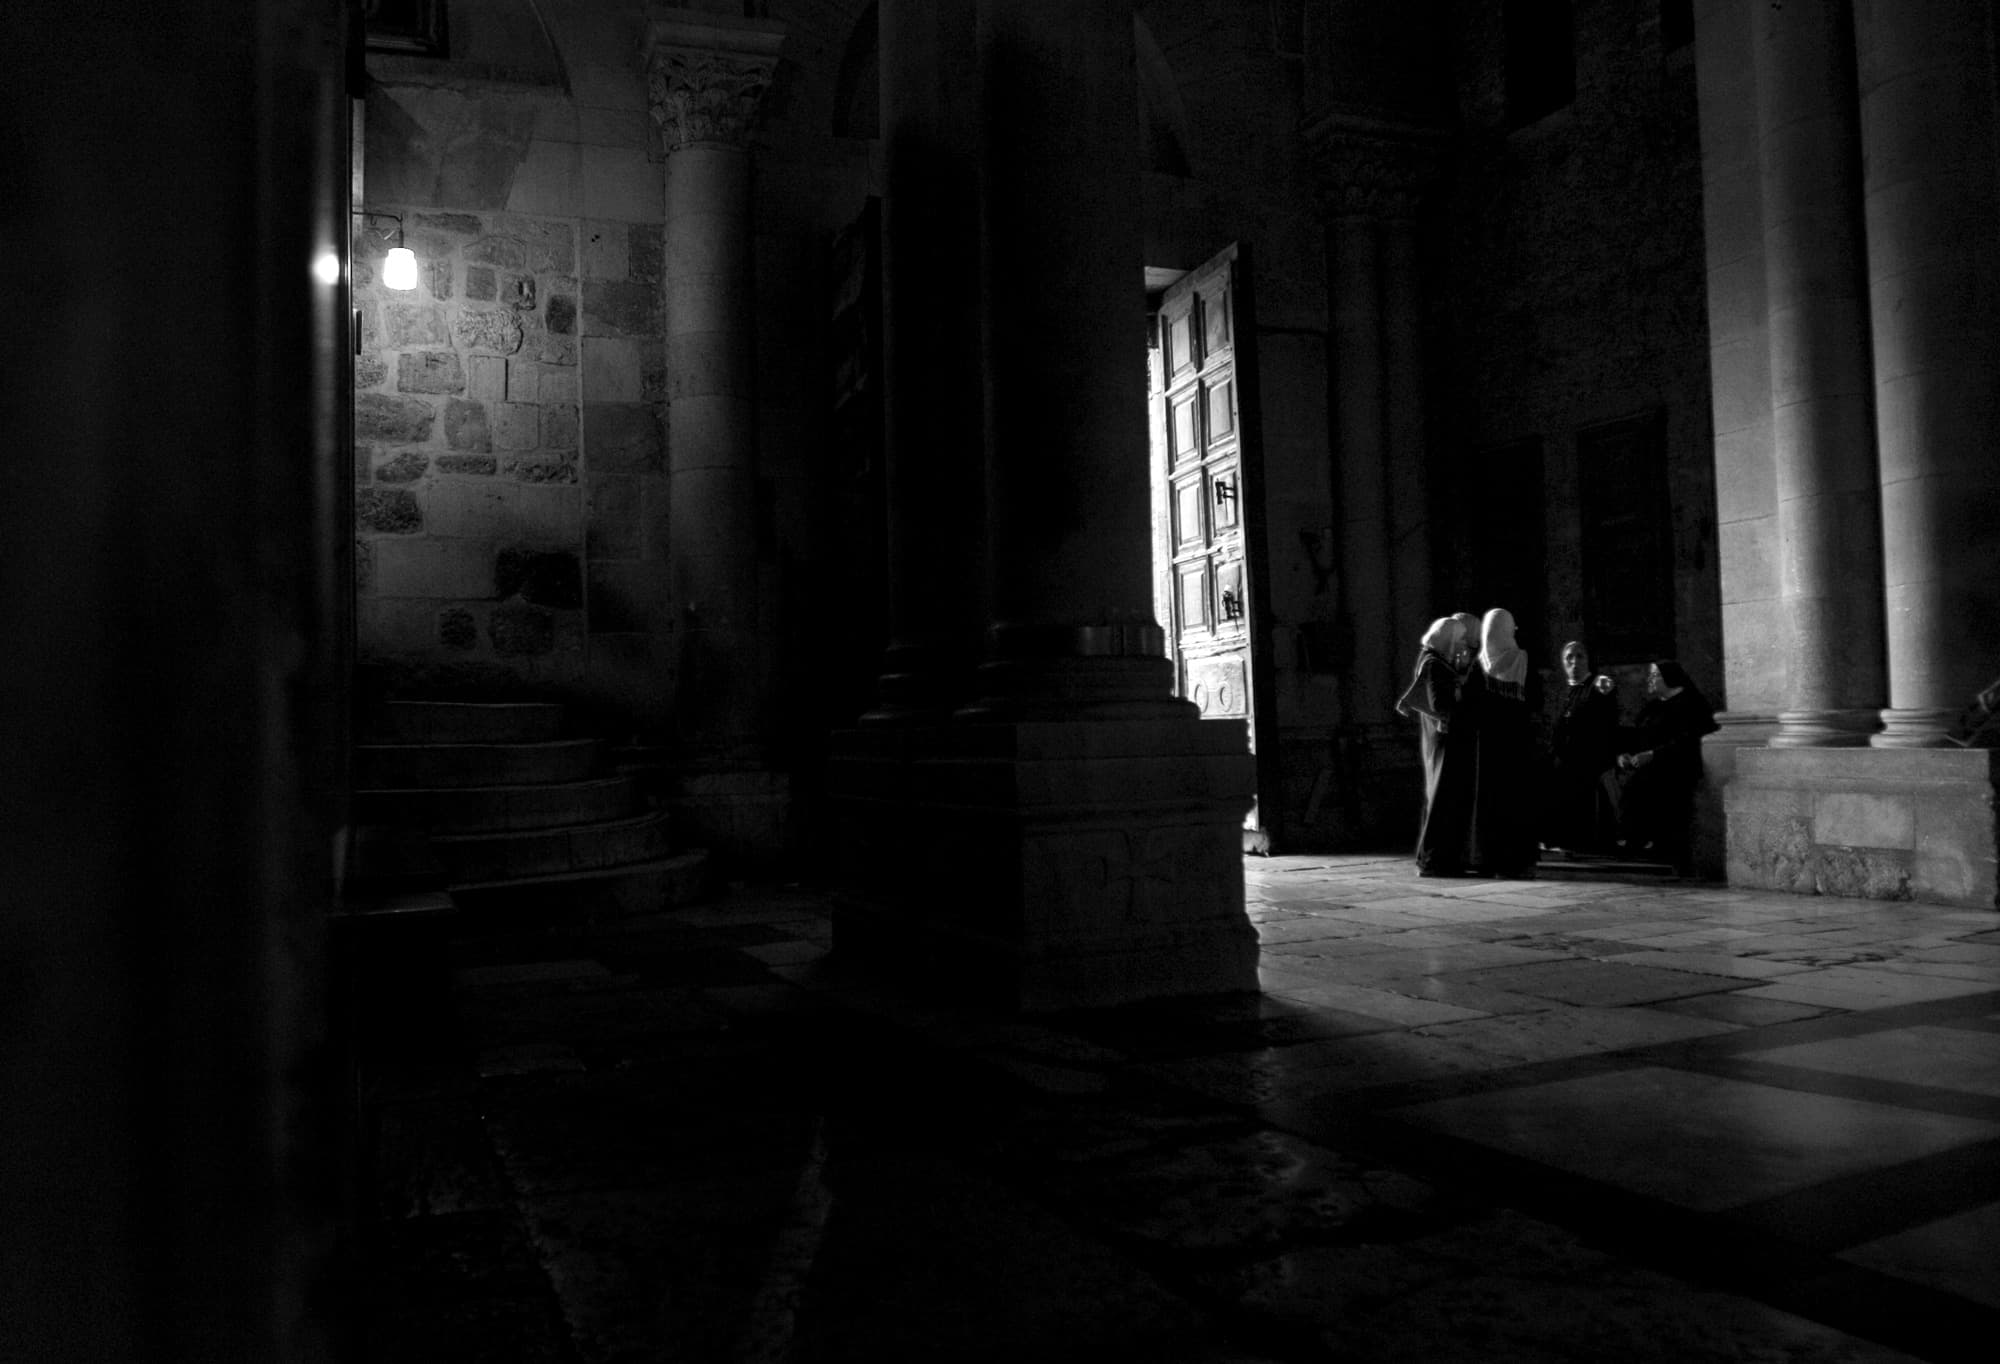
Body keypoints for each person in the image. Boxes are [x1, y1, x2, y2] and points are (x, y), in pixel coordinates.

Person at [1614, 658, 1719, 866]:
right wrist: (1625, 754)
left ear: (1669, 678)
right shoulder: (1653, 707)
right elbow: (1637, 736)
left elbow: (1687, 740)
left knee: (1647, 783)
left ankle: (1645, 842)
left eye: (1655, 676)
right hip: (1649, 764)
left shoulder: (1690, 703)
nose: (1650, 680)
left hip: (1677, 764)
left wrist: (1653, 755)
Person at [1397, 616, 1477, 876]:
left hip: (1441, 740)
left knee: (1442, 798)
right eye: (1460, 638)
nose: (1463, 642)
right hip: (1442, 741)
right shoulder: (1433, 664)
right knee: (1442, 799)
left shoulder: (1436, 660)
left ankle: (1439, 859)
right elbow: (1441, 704)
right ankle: (1434, 861)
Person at [1466, 607, 1538, 878]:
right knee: (1516, 801)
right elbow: (1535, 700)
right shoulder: (1522, 661)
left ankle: (1490, 858)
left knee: (1492, 801)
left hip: (1487, 746)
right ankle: (1517, 860)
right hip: (1517, 745)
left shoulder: (1478, 665)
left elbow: (1472, 706)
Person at [1542, 640, 1620, 853]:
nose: (1574, 662)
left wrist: (1605, 686)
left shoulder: (1596, 685)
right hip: (1562, 759)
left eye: (1580, 656)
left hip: (1586, 760)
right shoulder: (1563, 691)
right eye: (1569, 657)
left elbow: (1606, 707)